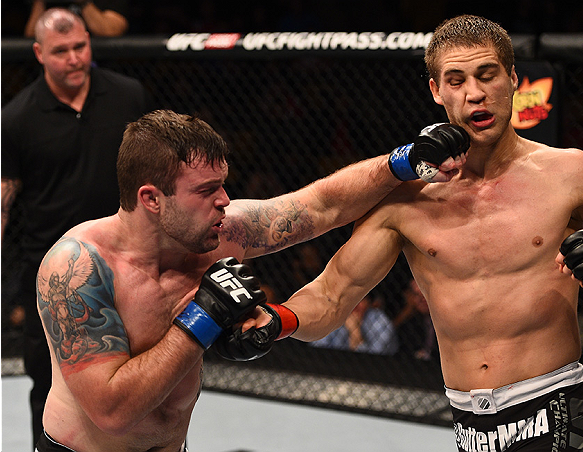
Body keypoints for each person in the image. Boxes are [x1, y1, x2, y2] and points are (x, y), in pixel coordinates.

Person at [220, 15, 583, 452]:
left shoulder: (569, 173)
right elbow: (331, 296)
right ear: (436, 91)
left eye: (487, 74)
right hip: (469, 424)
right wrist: (276, 321)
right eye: (457, 80)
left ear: (513, 79)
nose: (475, 93)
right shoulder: (408, 198)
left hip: (556, 407)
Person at [31, 108, 466, 451]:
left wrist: (403, 162)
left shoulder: (216, 235)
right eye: (205, 191)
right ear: (152, 199)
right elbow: (112, 411)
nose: (224, 201)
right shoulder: (77, 270)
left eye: (222, 185)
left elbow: (317, 207)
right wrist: (202, 319)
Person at [1, 7, 153, 446]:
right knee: (48, 387)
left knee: (138, 382)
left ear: (90, 42)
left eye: (80, 47)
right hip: (49, 276)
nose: (73, 58)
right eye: (61, 50)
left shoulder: (128, 96)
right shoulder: (16, 119)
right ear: (38, 53)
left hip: (127, 268)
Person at [311, 292, 398, 355]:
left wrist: (355, 331)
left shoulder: (379, 321)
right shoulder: (332, 315)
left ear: (369, 303)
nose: (355, 304)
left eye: (360, 299)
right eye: (350, 299)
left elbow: (372, 364)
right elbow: (316, 350)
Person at [24, 0, 129, 38]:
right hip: (53, 68)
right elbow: (31, 35)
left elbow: (110, 31)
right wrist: (39, 2)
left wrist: (84, 2)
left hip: (102, 66)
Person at [393, 278, 437, 360]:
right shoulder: (409, 322)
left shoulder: (446, 320)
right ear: (410, 297)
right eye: (417, 295)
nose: (422, 299)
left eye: (425, 294)